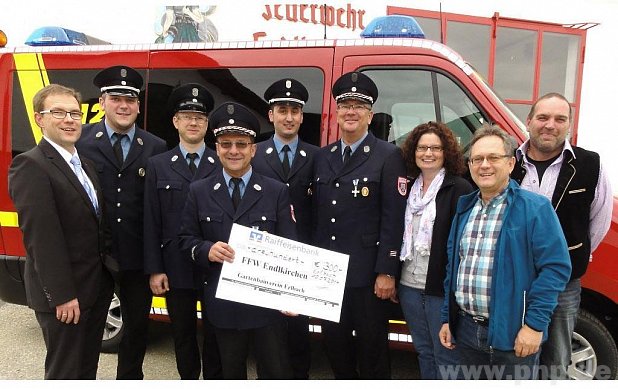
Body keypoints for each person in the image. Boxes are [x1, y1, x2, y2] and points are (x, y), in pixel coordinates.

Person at [439, 125, 572, 380]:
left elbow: (556, 268)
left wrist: (534, 325)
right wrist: (448, 318)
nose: (484, 165)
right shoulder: (465, 208)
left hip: (514, 333)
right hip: (466, 331)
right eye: (477, 159)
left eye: (493, 158)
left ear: (511, 164)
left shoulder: (534, 208)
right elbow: (453, 268)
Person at [179, 102, 295, 379]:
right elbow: (185, 240)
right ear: (217, 148)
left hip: (267, 306)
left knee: (275, 373)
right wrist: (206, 250)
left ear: (253, 149)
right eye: (226, 144)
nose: (234, 151)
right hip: (223, 304)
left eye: (241, 144)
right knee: (229, 374)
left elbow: (290, 246)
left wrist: (292, 295)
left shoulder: (276, 191)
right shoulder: (199, 191)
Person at [8, 84, 115, 379]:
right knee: (65, 373)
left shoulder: (86, 166)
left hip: (93, 290)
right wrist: (62, 295)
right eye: (58, 112)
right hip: (66, 298)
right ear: (39, 118)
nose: (69, 120)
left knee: (85, 370)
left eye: (74, 113)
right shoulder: (31, 165)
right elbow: (42, 239)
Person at [312, 71, 408, 379]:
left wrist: (387, 271)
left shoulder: (388, 155)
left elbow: (395, 218)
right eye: (345, 105)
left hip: (368, 277)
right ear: (337, 112)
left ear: (369, 114)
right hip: (328, 274)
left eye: (358, 105)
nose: (351, 111)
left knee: (372, 351)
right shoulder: (323, 156)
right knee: (336, 348)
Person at [511, 93, 613, 379]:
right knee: (512, 354)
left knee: (556, 357)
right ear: (529, 121)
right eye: (542, 118)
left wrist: (572, 253)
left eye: (559, 119)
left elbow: (599, 220)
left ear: (569, 124)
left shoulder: (590, 164)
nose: (550, 125)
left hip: (563, 284)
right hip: (513, 280)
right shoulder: (508, 162)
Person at [76, 65, 167, 379]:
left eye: (130, 99)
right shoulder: (80, 141)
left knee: (137, 330)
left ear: (139, 105)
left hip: (136, 259)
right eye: (116, 98)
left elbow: (157, 211)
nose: (124, 105)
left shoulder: (155, 146)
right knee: (88, 331)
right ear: (102, 102)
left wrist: (156, 263)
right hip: (93, 259)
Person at [143, 83, 222, 379]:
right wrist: (155, 269)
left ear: (208, 124)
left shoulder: (223, 163)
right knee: (183, 336)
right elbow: (151, 221)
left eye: (200, 117)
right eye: (187, 116)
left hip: (215, 267)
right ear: (175, 121)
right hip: (175, 268)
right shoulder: (158, 166)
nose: (193, 122)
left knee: (216, 336)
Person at [252, 78, 318, 379]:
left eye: (294, 110)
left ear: (302, 116)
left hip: (302, 259)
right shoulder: (254, 154)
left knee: (299, 336)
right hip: (265, 258)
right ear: (271, 115)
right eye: (282, 110)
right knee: (268, 337)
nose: (288, 117)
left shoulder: (317, 157)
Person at [398, 121, 473, 379]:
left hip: (440, 290)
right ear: (413, 151)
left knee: (447, 354)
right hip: (408, 285)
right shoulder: (407, 187)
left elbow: (465, 244)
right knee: (424, 351)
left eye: (435, 148)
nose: (428, 153)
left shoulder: (459, 188)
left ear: (446, 152)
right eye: (422, 148)